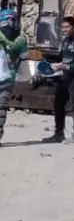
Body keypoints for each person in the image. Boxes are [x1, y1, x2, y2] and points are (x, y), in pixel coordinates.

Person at [43, 16, 74, 144]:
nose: (64, 30)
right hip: (64, 77)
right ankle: (58, 133)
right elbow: (61, 58)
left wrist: (66, 66)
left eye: (67, 27)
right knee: (58, 104)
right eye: (63, 27)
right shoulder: (65, 42)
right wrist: (52, 65)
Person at [0, 8, 28, 146]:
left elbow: (22, 56)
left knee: (1, 110)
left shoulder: (19, 39)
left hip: (7, 79)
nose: (10, 23)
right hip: (7, 78)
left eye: (12, 20)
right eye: (8, 20)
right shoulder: (20, 38)